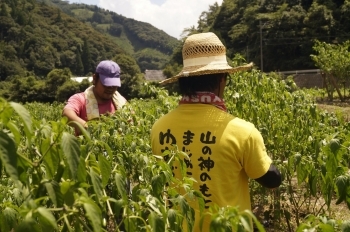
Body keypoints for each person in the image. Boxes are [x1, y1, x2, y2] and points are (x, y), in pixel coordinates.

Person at [150, 32, 281, 231]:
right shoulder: (242, 131)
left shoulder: (159, 128)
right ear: (222, 79)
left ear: (184, 81)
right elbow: (272, 180)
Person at [62, 60, 127, 135]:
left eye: (114, 85)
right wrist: (89, 128)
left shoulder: (121, 102)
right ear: (95, 79)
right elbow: (66, 113)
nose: (111, 88)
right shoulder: (81, 99)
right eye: (106, 84)